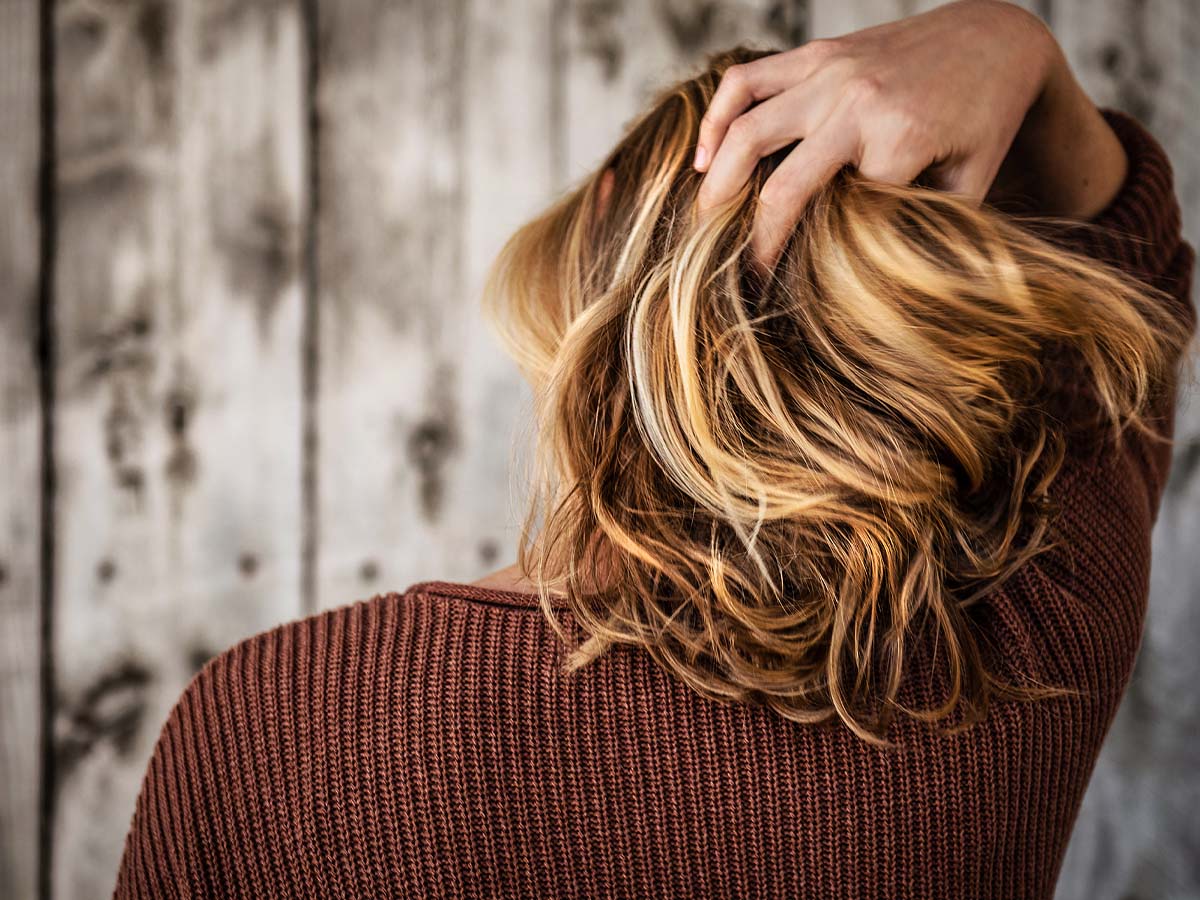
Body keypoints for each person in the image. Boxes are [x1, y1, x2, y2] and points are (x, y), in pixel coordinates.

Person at [113, 1, 1195, 897]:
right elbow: (1134, 280)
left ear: (591, 302)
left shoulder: (272, 730)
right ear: (910, 327)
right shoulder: (1027, 640)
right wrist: (1014, 47)